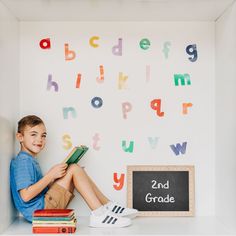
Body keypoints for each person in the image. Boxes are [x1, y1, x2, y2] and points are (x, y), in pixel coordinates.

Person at [10, 115, 138, 228]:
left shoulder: (29, 159)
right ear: (20, 137)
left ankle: (108, 206)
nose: (40, 140)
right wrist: (50, 176)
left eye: (43, 136)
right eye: (33, 134)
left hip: (41, 207)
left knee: (76, 169)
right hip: (39, 212)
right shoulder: (23, 161)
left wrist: (53, 178)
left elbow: (36, 190)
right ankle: (100, 213)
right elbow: (25, 196)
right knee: (74, 169)